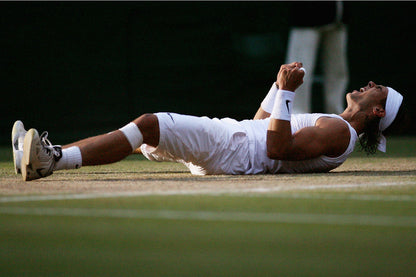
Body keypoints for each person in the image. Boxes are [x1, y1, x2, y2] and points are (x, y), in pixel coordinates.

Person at [12, 62, 404, 181]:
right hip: (233, 139)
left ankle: (50, 159)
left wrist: (287, 93)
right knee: (143, 136)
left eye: (378, 89)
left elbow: (276, 148)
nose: (370, 85)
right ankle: (41, 155)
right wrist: (277, 88)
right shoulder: (334, 123)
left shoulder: (340, 130)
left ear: (377, 112)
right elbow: (261, 125)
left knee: (148, 124)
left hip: (229, 147)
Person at [286, 1, 349, 114]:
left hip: (338, 15)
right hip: (306, 15)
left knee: (338, 71)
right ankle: (297, 118)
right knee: (299, 70)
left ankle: (337, 118)